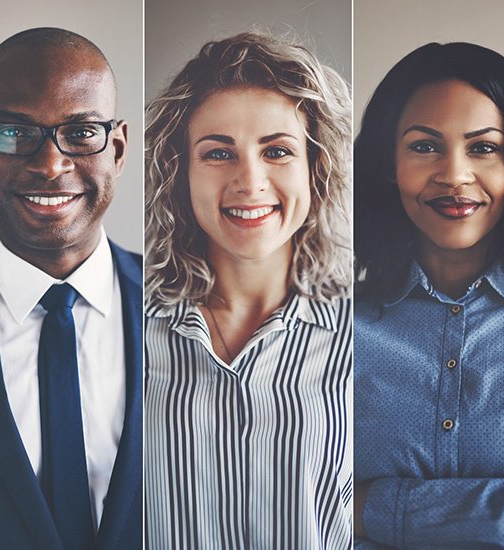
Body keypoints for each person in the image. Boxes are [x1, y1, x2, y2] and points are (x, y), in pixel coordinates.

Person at [143, 31, 353, 549]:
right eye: (218, 154)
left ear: (315, 169)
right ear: (180, 173)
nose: (250, 181)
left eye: (277, 150)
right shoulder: (122, 331)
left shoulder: (368, 334)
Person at [0, 27, 141, 549]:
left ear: (117, 148)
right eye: (14, 132)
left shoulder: (189, 306)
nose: (51, 165)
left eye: (80, 133)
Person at [351, 42, 504, 549]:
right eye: (424, 146)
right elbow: (302, 499)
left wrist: (370, 508)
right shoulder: (334, 327)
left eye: (483, 147)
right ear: (388, 163)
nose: (454, 175)